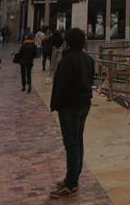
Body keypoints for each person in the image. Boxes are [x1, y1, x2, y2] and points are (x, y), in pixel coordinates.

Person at [50, 28, 94, 199]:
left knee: (71, 144)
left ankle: (71, 183)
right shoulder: (88, 59)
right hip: (84, 105)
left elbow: (61, 86)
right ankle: (74, 176)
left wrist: (56, 104)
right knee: (78, 140)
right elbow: (90, 81)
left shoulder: (67, 61)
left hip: (70, 107)